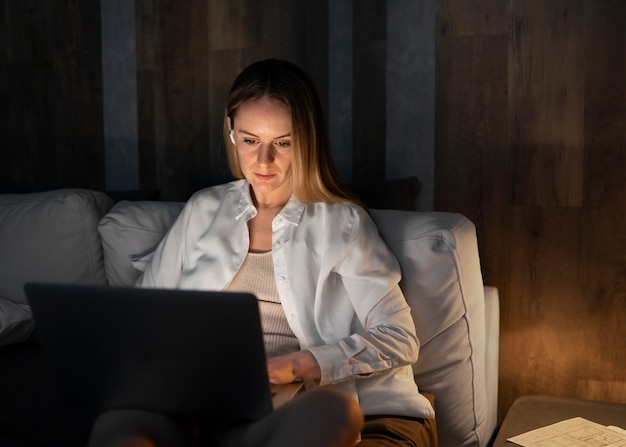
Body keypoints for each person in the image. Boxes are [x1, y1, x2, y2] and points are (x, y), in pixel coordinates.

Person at [88, 59, 437, 447]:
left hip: (279, 408)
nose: (263, 161)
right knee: (116, 421)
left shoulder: (343, 223)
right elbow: (142, 315)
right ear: (231, 131)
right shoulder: (203, 210)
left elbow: (400, 336)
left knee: (334, 413)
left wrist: (296, 365)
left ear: (306, 140)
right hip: (192, 404)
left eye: (282, 143)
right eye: (250, 140)